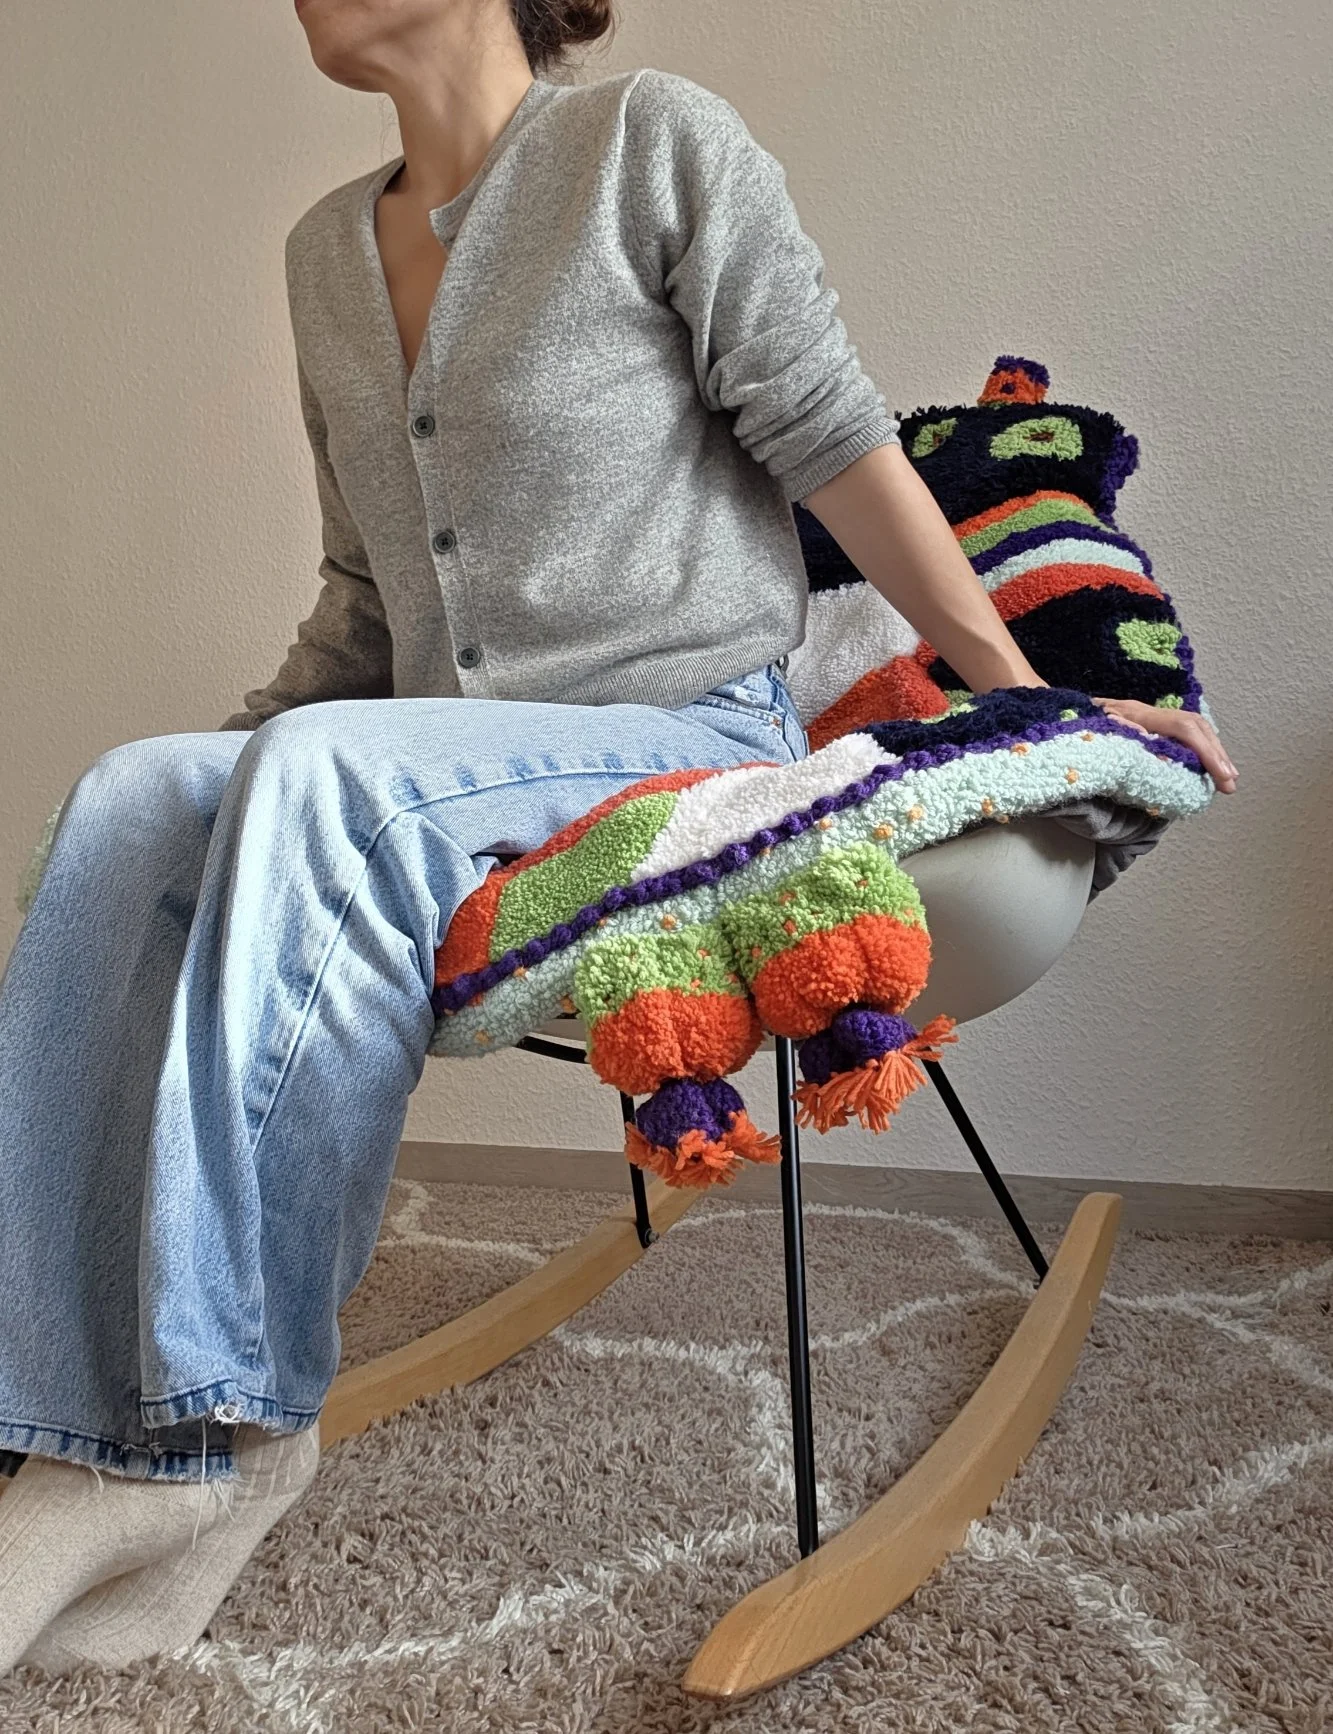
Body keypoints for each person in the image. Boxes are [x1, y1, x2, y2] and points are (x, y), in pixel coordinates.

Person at [0, 0, 1238, 1677]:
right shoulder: (320, 260)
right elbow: (364, 605)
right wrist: (218, 790)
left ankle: (221, 1436)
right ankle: (71, 1431)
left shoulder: (647, 145)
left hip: (684, 736)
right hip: (448, 760)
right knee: (129, 798)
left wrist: (1022, 693)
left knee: (301, 776)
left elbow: (834, 437)